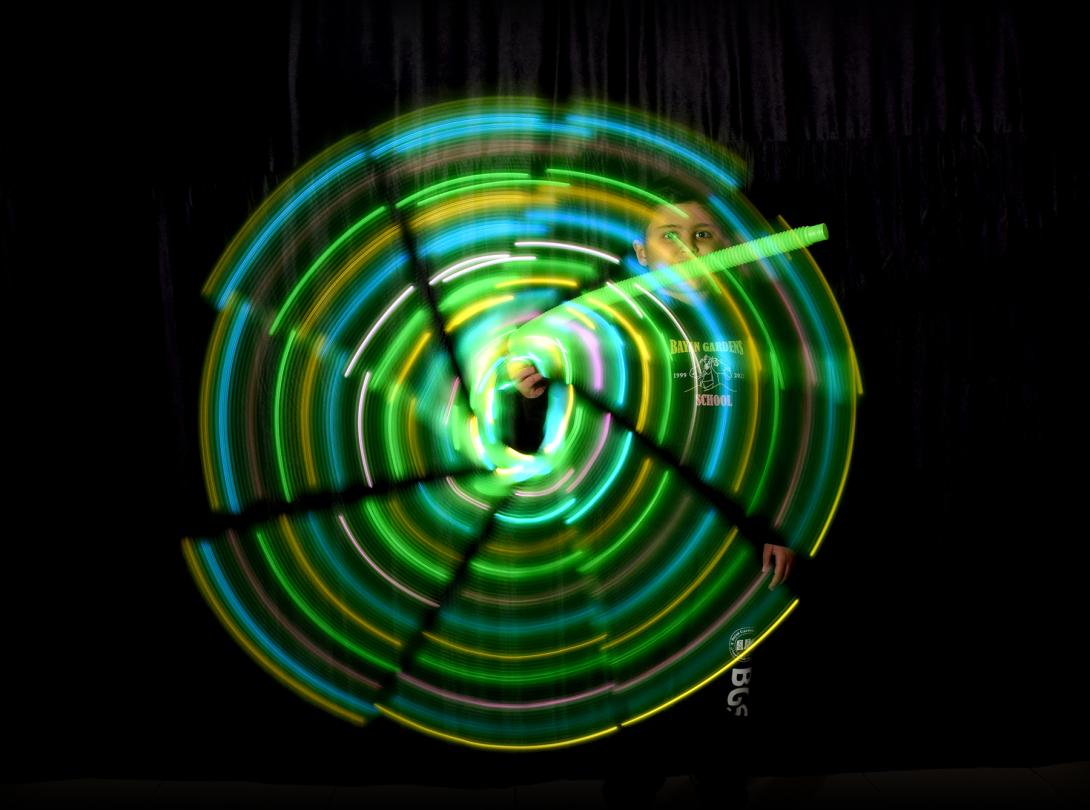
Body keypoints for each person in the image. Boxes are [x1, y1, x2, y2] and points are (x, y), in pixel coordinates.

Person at [510, 190, 796, 808]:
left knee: (733, 694)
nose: (691, 246)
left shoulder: (756, 333)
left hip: (734, 553)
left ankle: (722, 781)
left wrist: (776, 528)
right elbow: (534, 446)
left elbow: (781, 442)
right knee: (639, 703)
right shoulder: (604, 333)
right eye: (672, 235)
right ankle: (635, 785)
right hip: (639, 550)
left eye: (704, 235)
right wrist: (530, 398)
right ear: (639, 252)